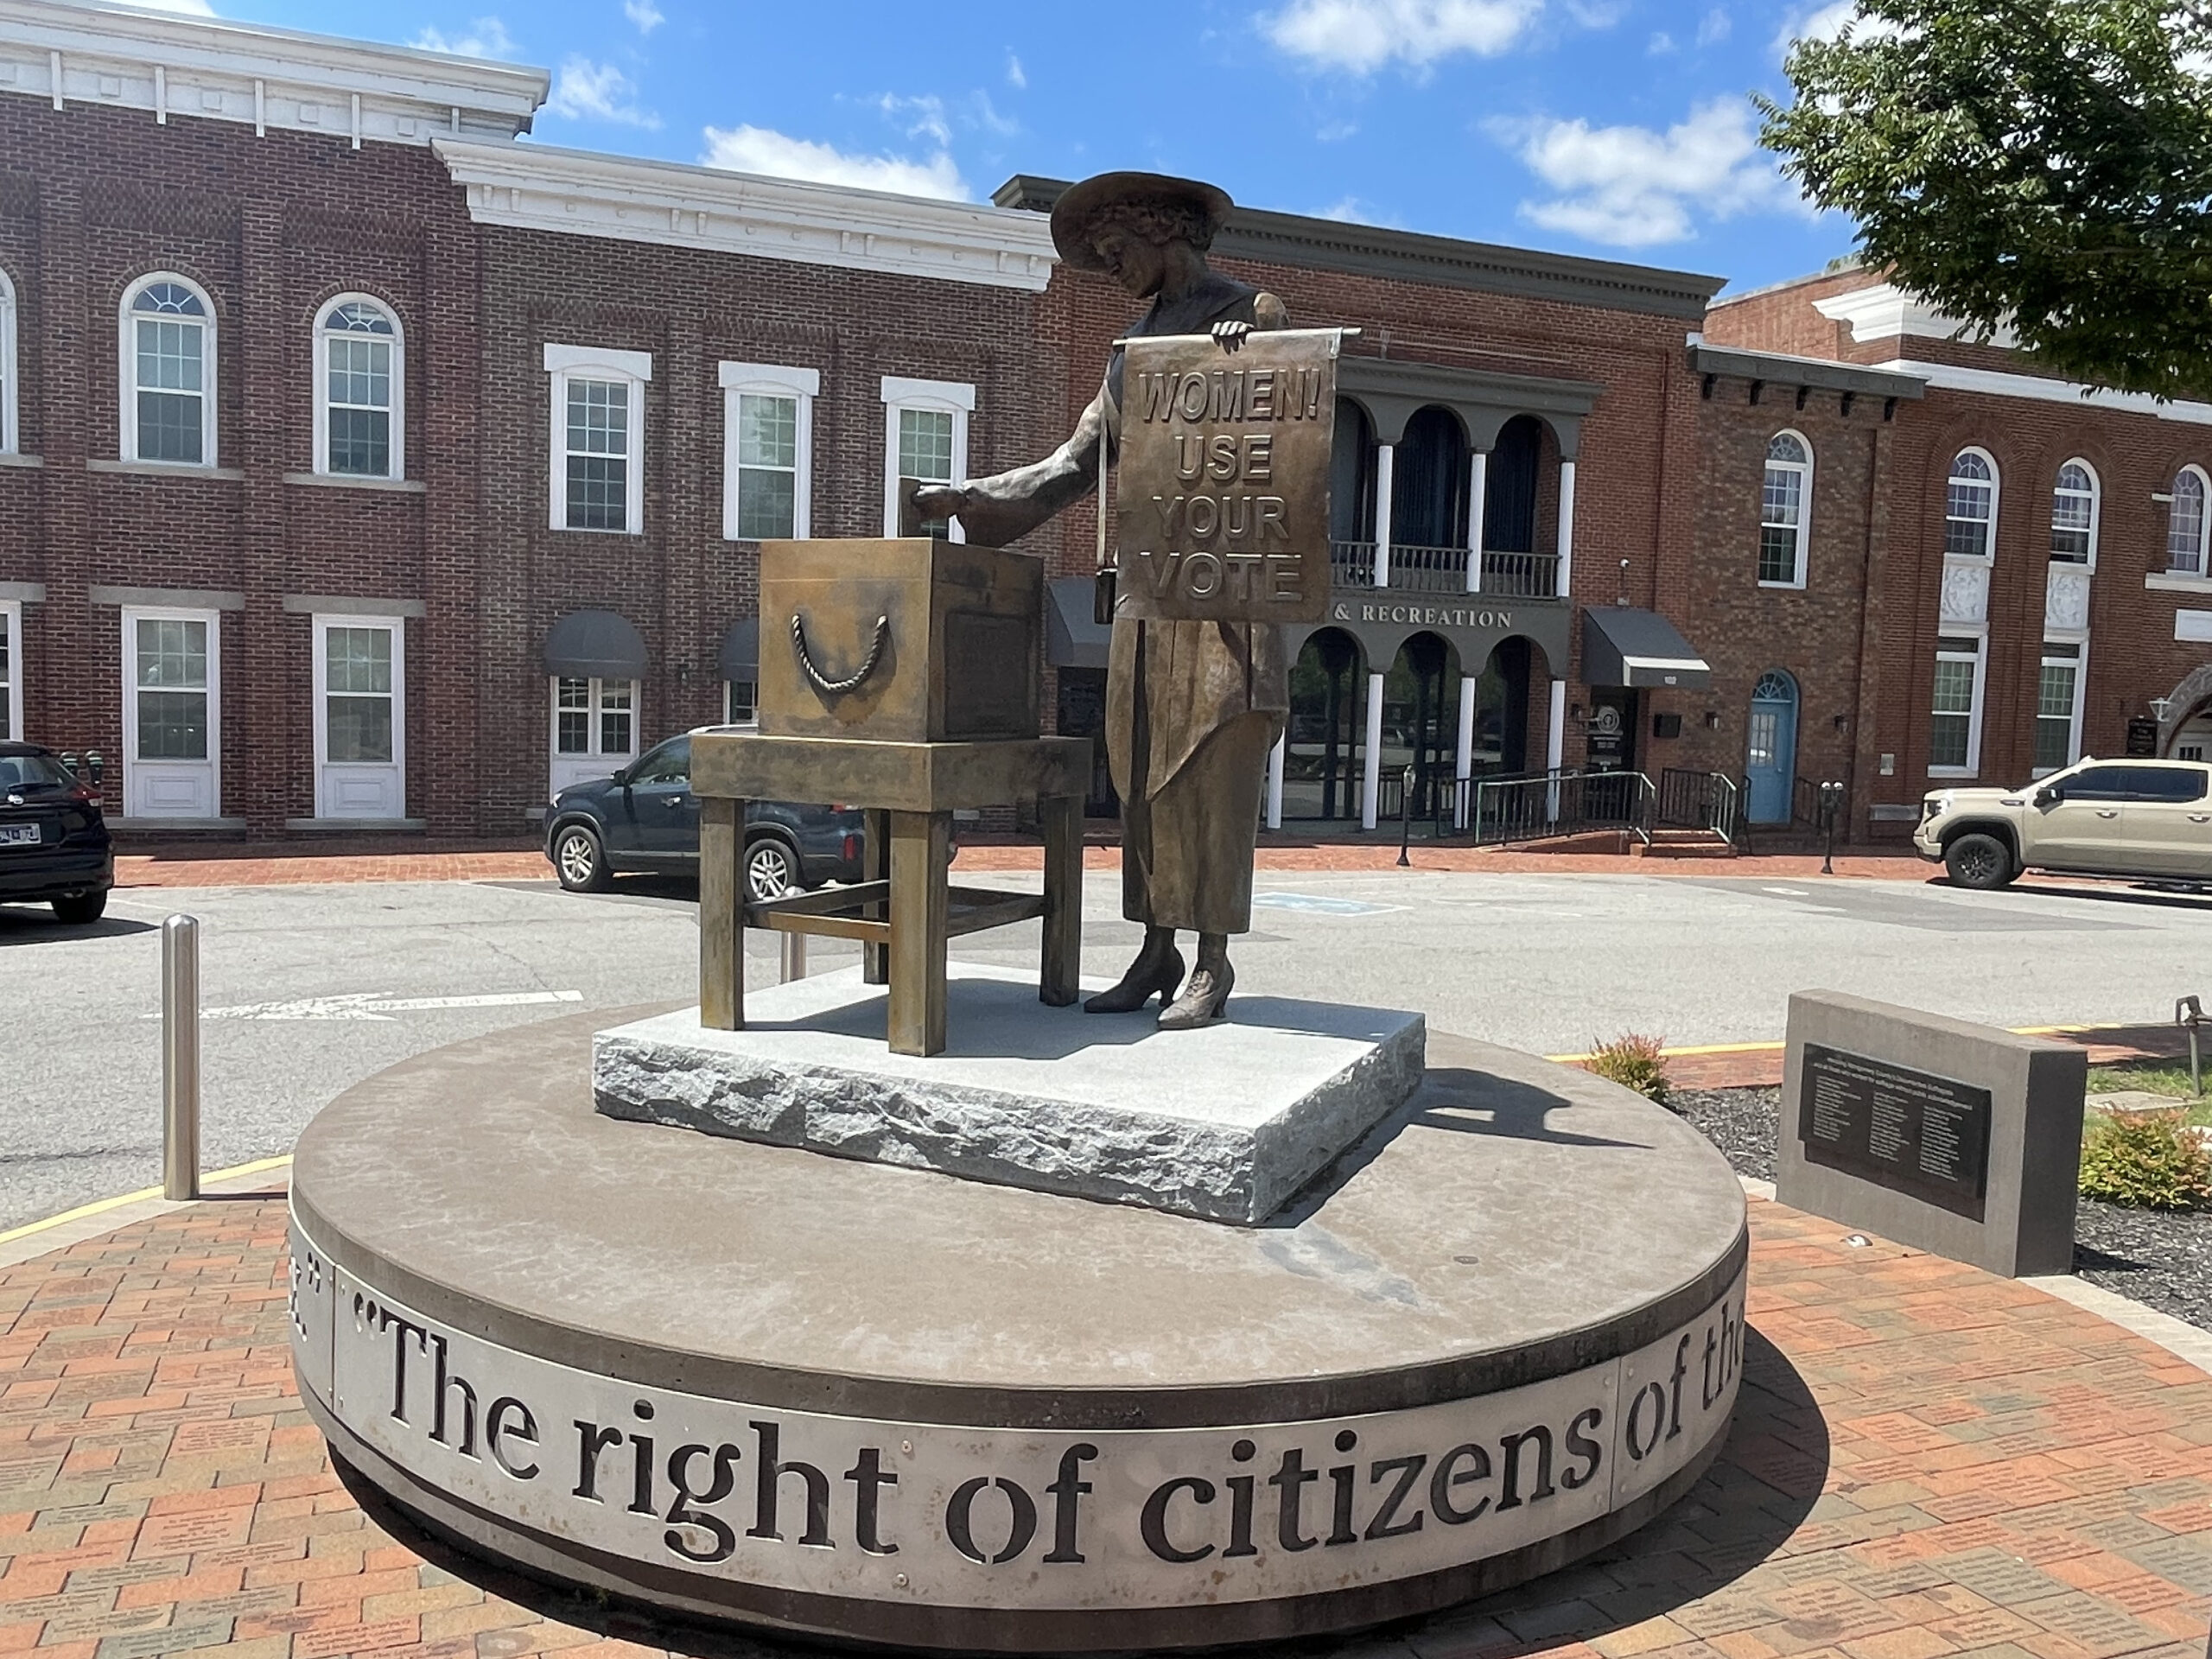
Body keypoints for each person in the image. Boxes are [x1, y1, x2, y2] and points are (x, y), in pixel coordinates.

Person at [915, 172, 1289, 1030]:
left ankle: (1212, 959)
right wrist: (970, 495)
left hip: (1224, 590)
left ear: (1163, 231)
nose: (1112, 267)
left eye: (1119, 250)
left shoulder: (1255, 315)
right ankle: (1155, 949)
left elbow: (1293, 441)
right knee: (1142, 766)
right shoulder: (1130, 349)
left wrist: (1247, 366)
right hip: (1147, 588)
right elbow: (1071, 464)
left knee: (1213, 765)